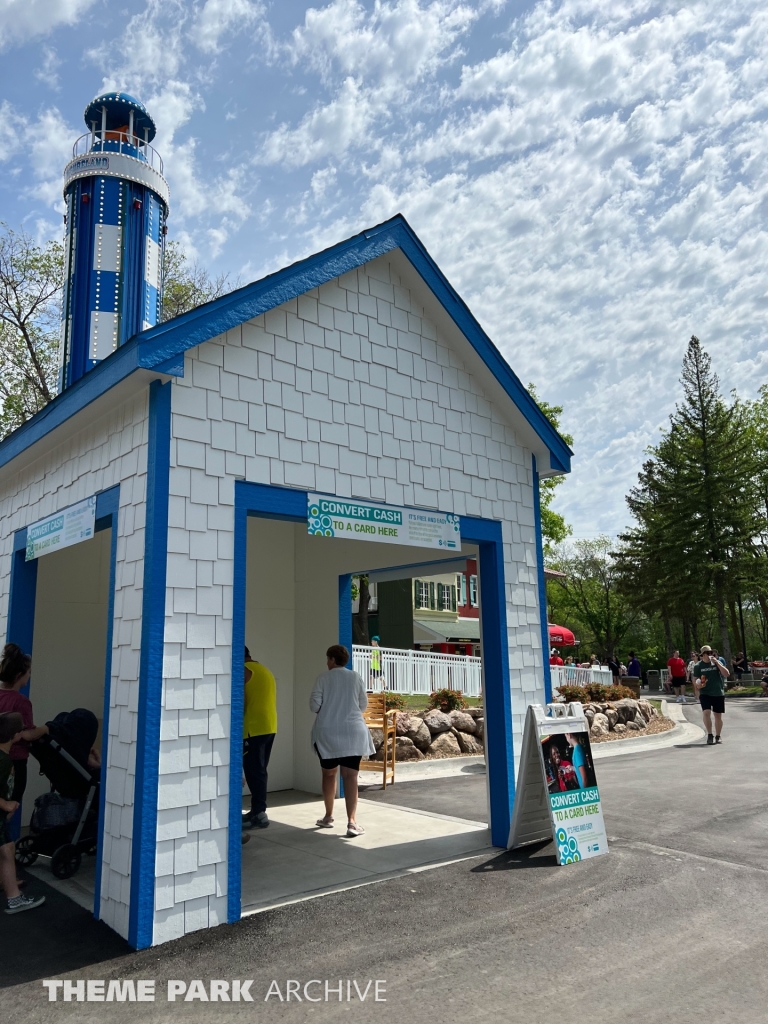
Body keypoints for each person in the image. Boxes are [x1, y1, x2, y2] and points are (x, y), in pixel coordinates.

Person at [310, 645, 375, 838]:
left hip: (327, 733)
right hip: (353, 731)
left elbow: (314, 706)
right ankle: (352, 823)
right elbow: (363, 704)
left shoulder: (322, 678)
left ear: (331, 659)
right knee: (350, 777)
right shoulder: (355, 677)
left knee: (329, 774)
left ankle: (328, 816)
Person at [0, 712, 45, 914]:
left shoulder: (4, 758)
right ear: (16, 735)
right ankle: (14, 899)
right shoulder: (2, 761)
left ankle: (13, 896)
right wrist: (5, 804)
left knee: (7, 850)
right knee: (7, 851)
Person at [0, 644, 49, 832]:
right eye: (29, 672)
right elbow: (26, 734)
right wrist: (45, 729)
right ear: (20, 675)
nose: (29, 676)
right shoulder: (21, 702)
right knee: (10, 807)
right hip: (15, 762)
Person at [242, 646, 277, 830]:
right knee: (259, 769)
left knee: (254, 771)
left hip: (253, 729)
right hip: (269, 726)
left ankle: (259, 813)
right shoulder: (264, 670)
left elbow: (238, 700)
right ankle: (257, 810)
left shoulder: (245, 671)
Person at [693, 644, 730, 745]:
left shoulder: (717, 663)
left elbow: (726, 674)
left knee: (718, 715)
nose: (710, 655)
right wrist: (698, 687)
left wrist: (717, 663)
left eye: (711, 653)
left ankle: (718, 736)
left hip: (718, 692)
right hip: (705, 692)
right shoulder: (698, 666)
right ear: (702, 655)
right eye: (707, 653)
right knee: (706, 712)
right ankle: (710, 734)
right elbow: (695, 679)